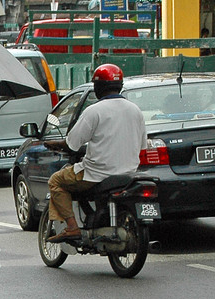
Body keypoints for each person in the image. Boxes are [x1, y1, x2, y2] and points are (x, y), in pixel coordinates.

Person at [44, 63, 147, 243]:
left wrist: (54, 144)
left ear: (98, 87)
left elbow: (72, 144)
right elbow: (142, 147)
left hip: (96, 174)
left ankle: (72, 227)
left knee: (56, 181)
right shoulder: (135, 110)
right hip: (129, 174)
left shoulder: (94, 111)